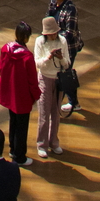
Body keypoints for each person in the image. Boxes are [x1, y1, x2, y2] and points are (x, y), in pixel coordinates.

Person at [0, 21, 41, 167]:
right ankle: (19, 156)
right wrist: (36, 94)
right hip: (22, 97)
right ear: (26, 37)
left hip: (10, 92)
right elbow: (32, 79)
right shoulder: (27, 57)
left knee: (13, 122)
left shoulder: (6, 49)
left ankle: (13, 149)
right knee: (22, 127)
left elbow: (1, 68)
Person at [33, 16, 70, 158]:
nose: (53, 35)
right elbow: (37, 63)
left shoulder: (63, 41)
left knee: (55, 113)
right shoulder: (39, 42)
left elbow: (67, 64)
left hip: (58, 79)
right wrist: (48, 57)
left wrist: (61, 58)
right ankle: (41, 144)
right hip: (44, 79)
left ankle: (54, 142)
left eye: (55, 33)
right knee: (44, 113)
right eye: (51, 34)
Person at [47, 0, 82, 114]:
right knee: (64, 73)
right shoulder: (53, 3)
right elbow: (48, 19)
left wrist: (55, 37)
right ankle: (74, 101)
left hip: (68, 48)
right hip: (55, 45)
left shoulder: (71, 9)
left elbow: (70, 33)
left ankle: (58, 105)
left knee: (63, 74)